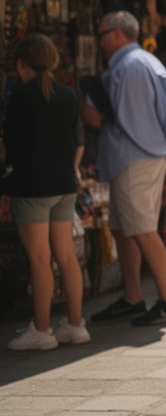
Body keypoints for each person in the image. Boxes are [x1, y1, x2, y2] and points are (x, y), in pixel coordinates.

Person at [82, 11, 166, 326]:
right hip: (137, 156)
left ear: (116, 34)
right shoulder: (141, 62)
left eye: (101, 35)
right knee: (125, 227)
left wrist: (87, 111)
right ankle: (133, 297)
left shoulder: (130, 67)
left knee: (140, 227)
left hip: (135, 157)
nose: (99, 42)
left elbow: (122, 120)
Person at [6, 34, 89, 350]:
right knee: (65, 255)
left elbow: (12, 146)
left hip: (32, 186)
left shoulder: (21, 95)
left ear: (21, 64)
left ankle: (41, 330)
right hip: (63, 184)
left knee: (39, 258)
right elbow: (76, 139)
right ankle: (75, 324)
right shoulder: (67, 95)